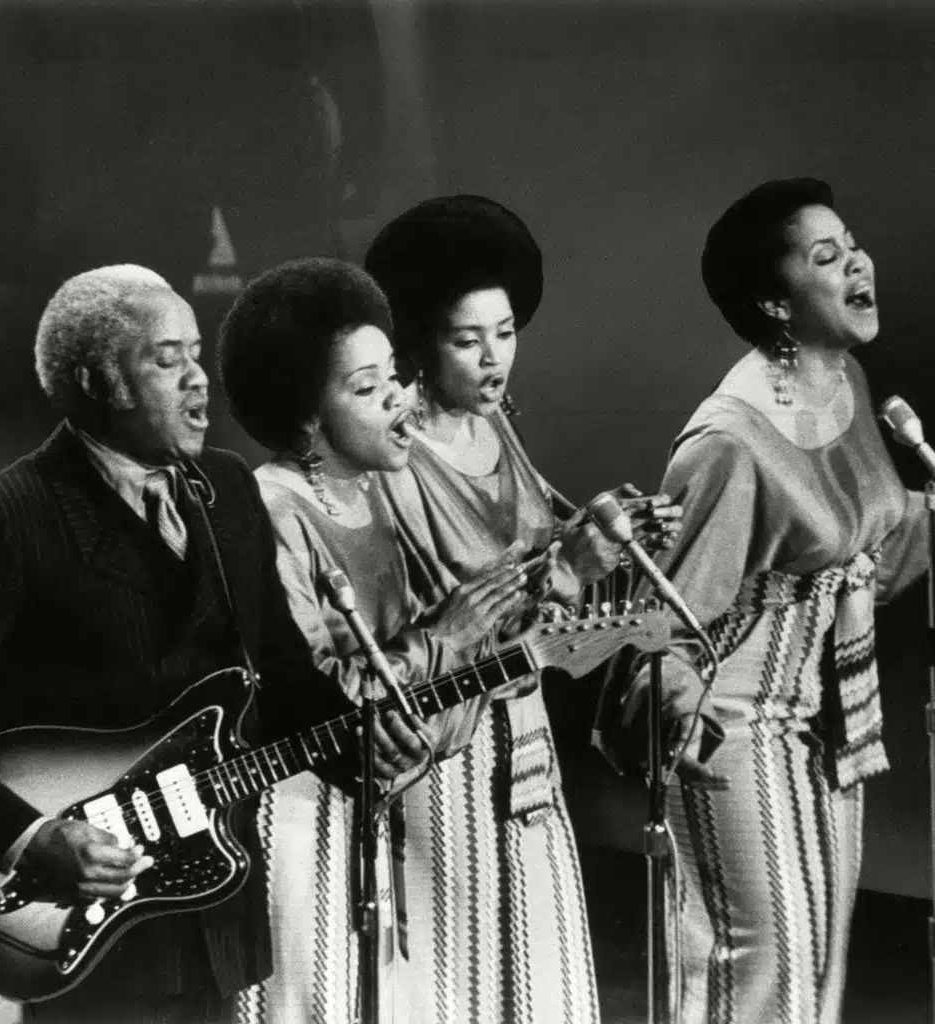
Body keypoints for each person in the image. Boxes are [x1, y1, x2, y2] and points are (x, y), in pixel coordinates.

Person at [0, 264, 425, 1024]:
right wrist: (28, 837)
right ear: (99, 382)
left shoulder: (226, 487)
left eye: (195, 353)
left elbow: (280, 672)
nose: (197, 379)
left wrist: (357, 742)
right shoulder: (6, 521)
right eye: (166, 359)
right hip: (86, 926)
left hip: (215, 919)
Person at [599, 178, 928, 1024]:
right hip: (732, 726)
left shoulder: (847, 382)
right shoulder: (728, 442)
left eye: (851, 244)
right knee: (761, 970)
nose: (857, 263)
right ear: (775, 303)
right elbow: (667, 619)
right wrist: (679, 718)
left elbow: (874, 549)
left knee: (815, 970)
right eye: (826, 256)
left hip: (825, 721)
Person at [363, 194, 682, 1022]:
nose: (493, 358)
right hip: (445, 740)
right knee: (460, 970)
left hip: (527, 735)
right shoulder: (393, 457)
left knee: (539, 962)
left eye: (505, 333)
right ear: (418, 344)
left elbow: (538, 552)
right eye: (466, 340)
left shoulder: (497, 425)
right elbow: (430, 612)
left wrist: (601, 537)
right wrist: (564, 572)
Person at [217, 257, 533, 1023]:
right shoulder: (274, 511)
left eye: (393, 375)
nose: (399, 397)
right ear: (305, 418)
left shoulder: (378, 489)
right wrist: (445, 637)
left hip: (375, 815)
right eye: (366, 388)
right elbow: (313, 700)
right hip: (299, 817)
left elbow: (413, 684)